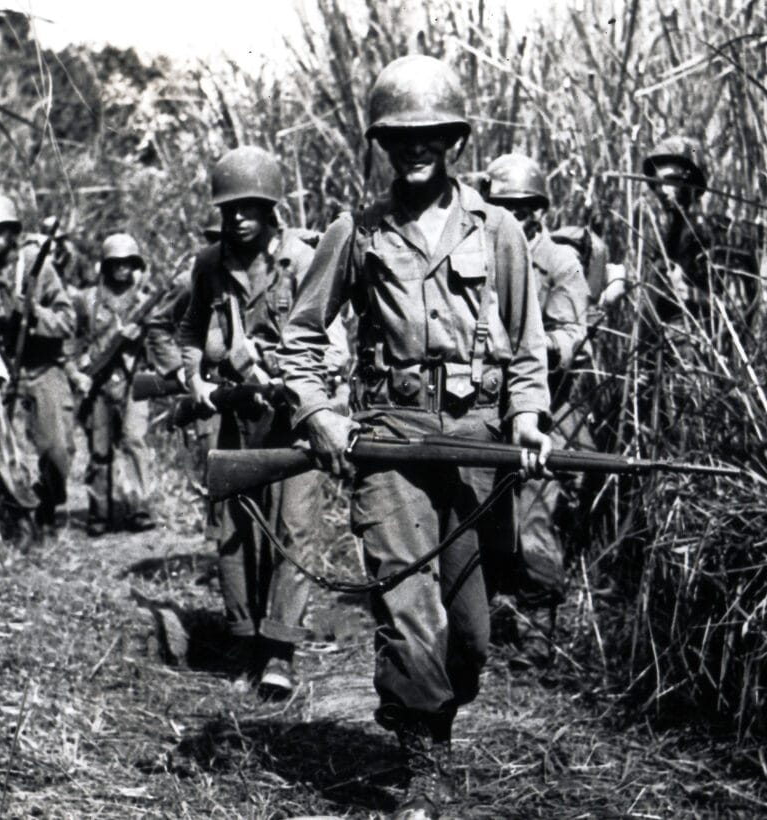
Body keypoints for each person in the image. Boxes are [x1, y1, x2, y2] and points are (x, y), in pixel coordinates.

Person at [278, 55, 553, 819]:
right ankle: (422, 764)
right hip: (390, 441)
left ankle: (435, 711)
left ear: (455, 139)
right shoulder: (356, 231)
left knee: (468, 634)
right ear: (382, 144)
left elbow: (528, 343)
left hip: (475, 440)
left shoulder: (497, 228)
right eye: (400, 137)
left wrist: (528, 415)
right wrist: (318, 411)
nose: (416, 148)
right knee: (408, 606)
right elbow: (301, 338)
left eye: (430, 134)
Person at [169, 146, 348, 700]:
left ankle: (279, 653)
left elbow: (336, 347)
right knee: (234, 532)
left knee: (294, 528)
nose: (237, 218)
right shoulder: (209, 264)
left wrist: (293, 378)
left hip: (296, 420)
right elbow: (190, 333)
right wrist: (193, 377)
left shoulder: (305, 257)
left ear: (272, 206)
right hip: (236, 418)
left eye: (249, 206)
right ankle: (244, 638)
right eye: (229, 209)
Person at [483, 153, 593, 669]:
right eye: (503, 206)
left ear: (540, 211)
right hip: (485, 411)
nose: (515, 216)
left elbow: (571, 335)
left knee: (535, 522)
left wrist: (526, 346)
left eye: (524, 208)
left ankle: (534, 637)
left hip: (545, 409)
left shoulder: (559, 262)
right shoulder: (480, 254)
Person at [637, 135, 759, 450]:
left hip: (701, 360)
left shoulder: (717, 233)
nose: (662, 190)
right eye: (656, 183)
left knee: (692, 440)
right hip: (668, 357)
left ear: (692, 182)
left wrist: (688, 295)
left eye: (672, 181)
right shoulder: (666, 237)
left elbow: (739, 305)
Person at [0, 193, 76, 540]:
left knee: (55, 452)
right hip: (1, 373)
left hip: (44, 368)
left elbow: (66, 321)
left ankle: (47, 502)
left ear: (14, 232)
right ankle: (21, 521)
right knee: (6, 453)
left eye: (1, 231)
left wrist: (33, 314)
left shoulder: (36, 266)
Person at [72, 232, 157, 536]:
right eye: (116, 263)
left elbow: (162, 341)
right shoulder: (87, 301)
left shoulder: (146, 302)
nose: (122, 268)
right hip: (99, 385)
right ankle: (100, 513)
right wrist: (77, 372)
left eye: (128, 262)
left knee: (135, 441)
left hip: (135, 380)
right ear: (105, 265)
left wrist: (142, 335)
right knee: (100, 451)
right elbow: (72, 342)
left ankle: (139, 508)